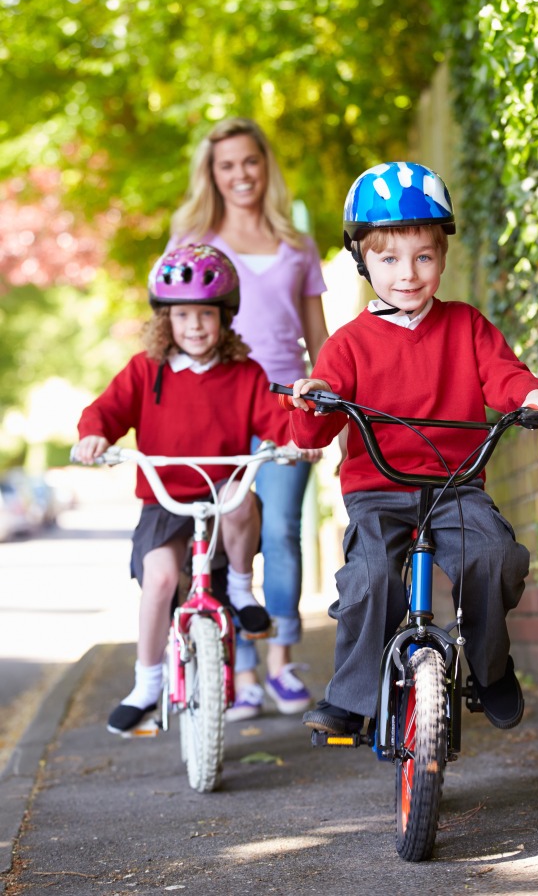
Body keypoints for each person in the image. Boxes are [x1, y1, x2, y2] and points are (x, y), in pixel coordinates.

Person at [288, 161, 538, 735]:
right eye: (388, 258)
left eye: (423, 256)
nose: (408, 273)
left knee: (494, 557)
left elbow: (503, 375)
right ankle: (352, 698)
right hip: (377, 491)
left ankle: (489, 671)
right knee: (368, 579)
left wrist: (533, 394)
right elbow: (310, 435)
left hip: (455, 487)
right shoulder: (347, 345)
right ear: (362, 261)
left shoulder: (466, 325)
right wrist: (315, 399)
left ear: (442, 257)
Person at [73, 244, 294, 735]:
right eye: (183, 315)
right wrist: (94, 435)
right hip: (164, 502)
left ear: (225, 317)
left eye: (206, 314)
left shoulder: (245, 374)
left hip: (220, 497)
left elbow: (275, 421)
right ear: (165, 319)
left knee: (242, 493)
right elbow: (106, 411)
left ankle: (239, 587)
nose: (195, 326)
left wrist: (295, 441)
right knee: (160, 579)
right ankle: (146, 683)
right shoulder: (144, 371)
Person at [168, 117, 328, 720]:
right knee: (229, 533)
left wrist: (323, 403)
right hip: (219, 404)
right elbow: (172, 331)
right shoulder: (192, 238)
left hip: (286, 403)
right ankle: (241, 670)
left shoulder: (295, 241)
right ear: (212, 174)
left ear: (266, 166)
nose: (241, 175)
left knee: (282, 528)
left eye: (250, 162)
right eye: (227, 165)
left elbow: (319, 337)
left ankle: (282, 662)